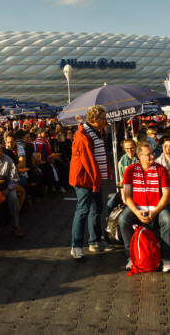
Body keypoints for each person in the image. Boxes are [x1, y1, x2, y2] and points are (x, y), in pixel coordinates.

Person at [69, 105, 114, 259]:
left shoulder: (95, 132)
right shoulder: (83, 135)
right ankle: (76, 246)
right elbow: (88, 161)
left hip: (94, 178)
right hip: (85, 179)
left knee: (96, 209)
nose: (106, 121)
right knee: (83, 211)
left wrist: (106, 171)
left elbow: (100, 154)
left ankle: (94, 241)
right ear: (95, 120)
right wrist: (96, 181)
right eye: (103, 118)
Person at [119, 142, 170, 272]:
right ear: (139, 156)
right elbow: (127, 196)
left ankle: (166, 258)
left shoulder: (161, 170)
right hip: (137, 208)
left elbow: (166, 196)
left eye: (153, 153)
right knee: (123, 219)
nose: (152, 156)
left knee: (168, 220)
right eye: (148, 155)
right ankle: (131, 257)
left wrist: (155, 212)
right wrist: (136, 212)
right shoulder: (130, 170)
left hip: (157, 207)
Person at [0, 141, 23, 238]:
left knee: (13, 198)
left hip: (6, 186)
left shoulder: (8, 160)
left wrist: (8, 189)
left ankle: (16, 225)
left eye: (0, 150)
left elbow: (14, 178)